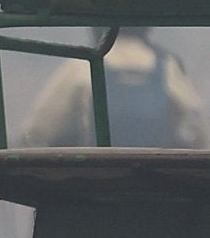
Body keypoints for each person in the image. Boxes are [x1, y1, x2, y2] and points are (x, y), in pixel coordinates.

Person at [21, 28, 210, 150]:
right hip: (155, 187)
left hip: (93, 186)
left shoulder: (83, 66)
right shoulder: (168, 67)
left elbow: (36, 134)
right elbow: (197, 135)